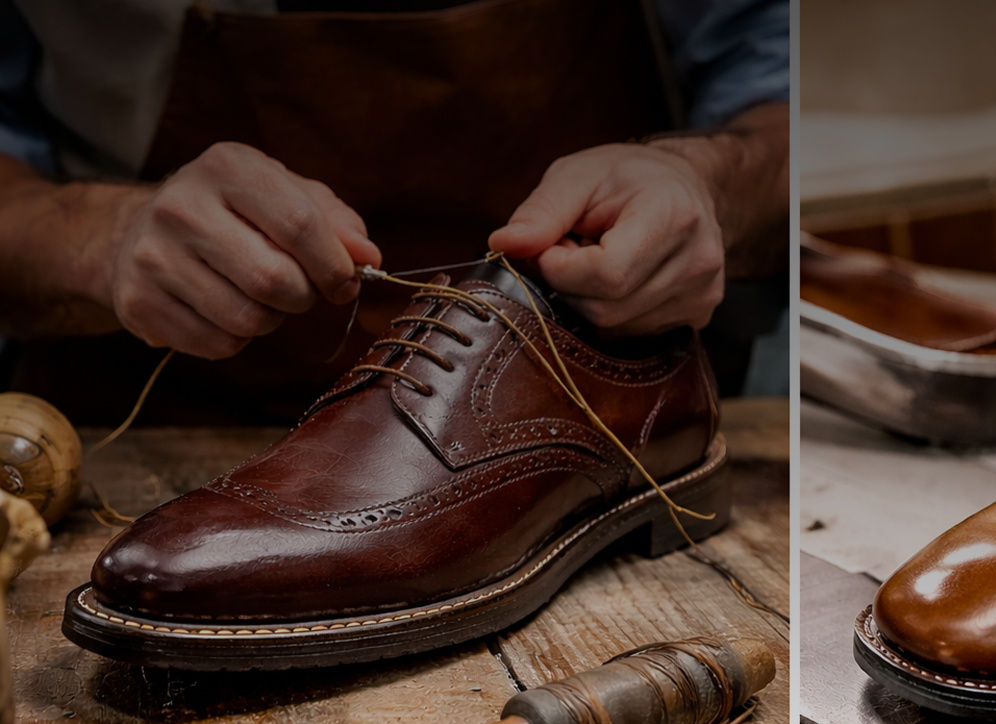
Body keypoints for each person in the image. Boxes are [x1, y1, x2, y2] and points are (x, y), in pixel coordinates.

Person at [0, 0, 789, 423]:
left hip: (601, 422)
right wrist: (99, 239)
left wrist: (705, 185)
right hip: (167, 427)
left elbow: (787, 112)